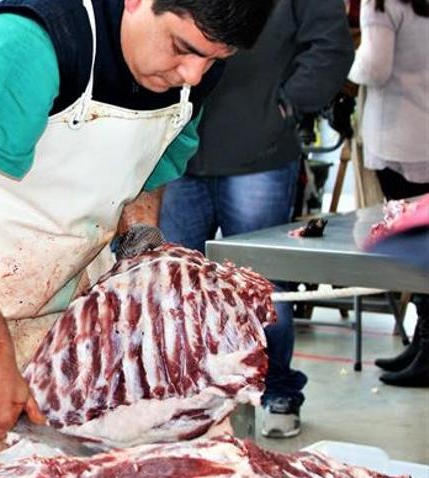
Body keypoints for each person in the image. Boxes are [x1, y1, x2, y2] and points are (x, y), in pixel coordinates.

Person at [0, 0, 275, 441]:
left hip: (50, 289)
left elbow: (149, 165)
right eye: (182, 47)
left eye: (216, 59)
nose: (195, 75)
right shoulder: (27, 41)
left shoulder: (190, 70)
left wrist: (141, 248)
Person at [159, 0, 354, 438]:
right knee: (177, 288)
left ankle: (277, 390)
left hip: (259, 155)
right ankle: (190, 398)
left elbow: (332, 47)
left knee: (264, 286)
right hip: (176, 151)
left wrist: (285, 109)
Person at [349, 0, 429, 388]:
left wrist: (348, 64)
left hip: (399, 140)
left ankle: (426, 347)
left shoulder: (382, 2)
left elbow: (375, 67)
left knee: (412, 249)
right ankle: (421, 343)